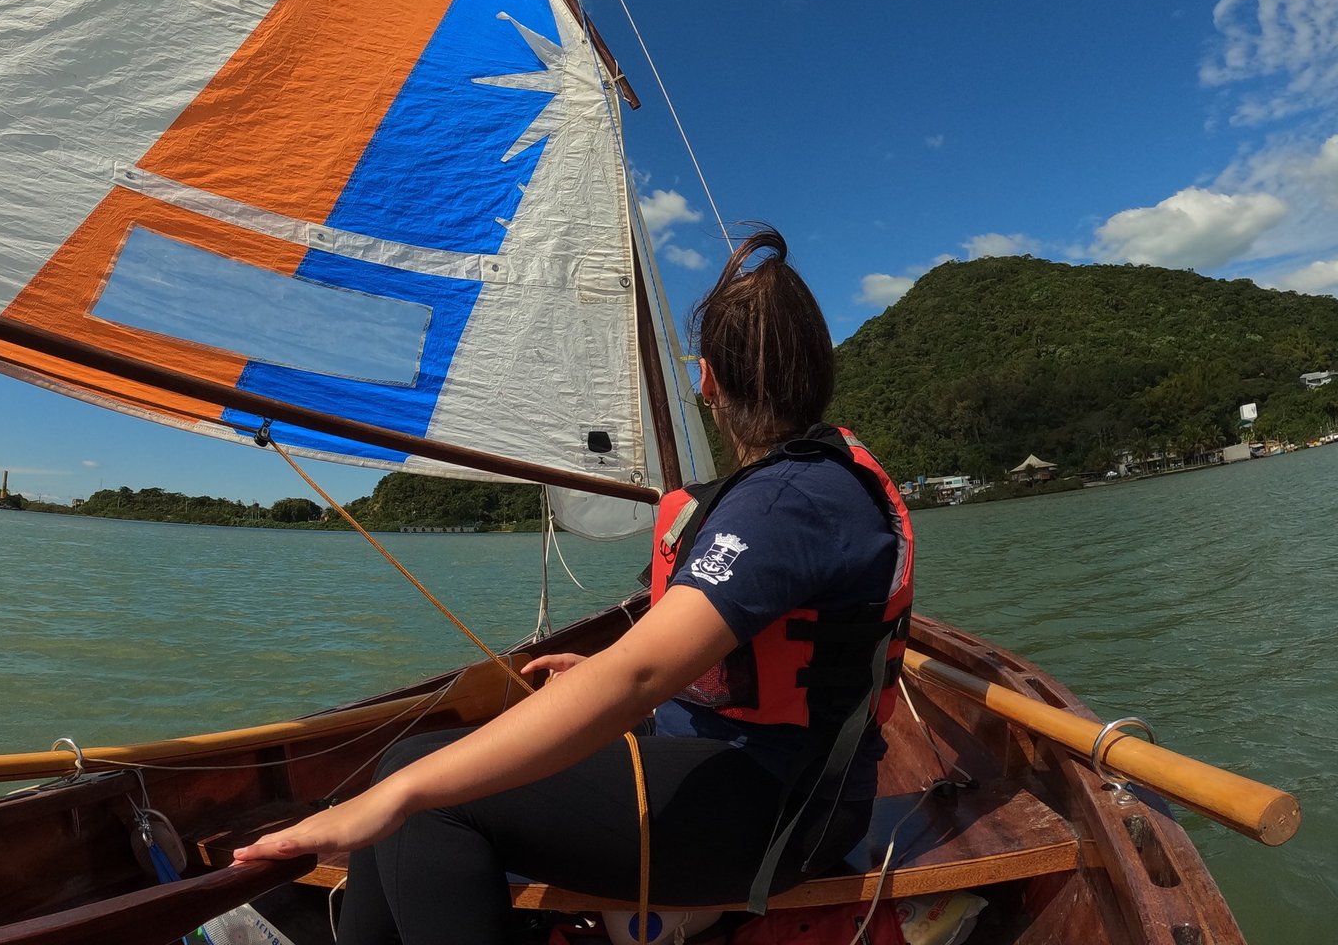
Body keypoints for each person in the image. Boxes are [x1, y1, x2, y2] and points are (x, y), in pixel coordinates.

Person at [235, 228, 914, 944]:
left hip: (785, 810)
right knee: (411, 777)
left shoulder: (789, 502)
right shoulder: (796, 491)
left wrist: (398, 796)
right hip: (752, 774)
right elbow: (705, 666)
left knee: (423, 796)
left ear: (706, 378)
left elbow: (644, 669)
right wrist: (599, 673)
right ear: (818, 370)